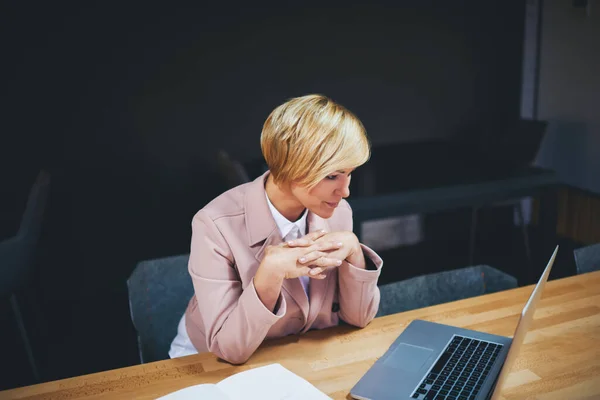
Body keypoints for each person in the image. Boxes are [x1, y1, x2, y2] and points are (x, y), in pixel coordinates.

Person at [169, 94, 383, 364]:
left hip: (293, 355)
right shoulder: (214, 224)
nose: (346, 190)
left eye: (349, 173)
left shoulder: (338, 211)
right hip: (207, 363)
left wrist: (354, 252)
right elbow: (229, 349)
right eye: (332, 176)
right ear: (293, 166)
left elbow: (359, 319)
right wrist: (269, 274)